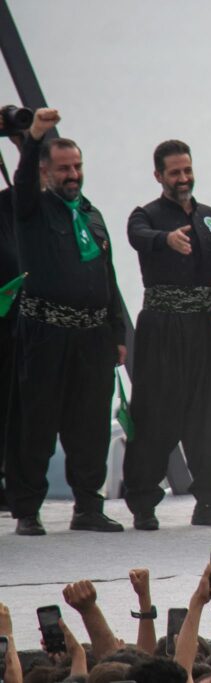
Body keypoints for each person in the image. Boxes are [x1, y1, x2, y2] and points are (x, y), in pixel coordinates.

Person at [7, 108, 126, 535]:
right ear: (45, 172)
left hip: (93, 334)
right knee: (37, 421)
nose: (73, 174)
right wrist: (35, 135)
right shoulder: (33, 210)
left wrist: (118, 331)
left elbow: (107, 276)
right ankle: (27, 510)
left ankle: (88, 506)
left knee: (91, 423)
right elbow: (21, 184)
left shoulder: (91, 216)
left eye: (77, 166)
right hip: (46, 332)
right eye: (64, 168)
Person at [122, 139, 211, 531]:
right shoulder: (146, 216)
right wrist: (166, 240)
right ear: (159, 176)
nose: (183, 178)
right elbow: (137, 236)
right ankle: (143, 502)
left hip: (207, 328)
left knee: (210, 416)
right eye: (174, 172)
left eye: (187, 170)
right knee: (156, 414)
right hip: (163, 326)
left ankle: (209, 501)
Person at [0, 124, 25, 514]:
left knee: (13, 404)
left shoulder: (10, 204)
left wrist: (27, 142)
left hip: (12, 321)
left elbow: (29, 190)